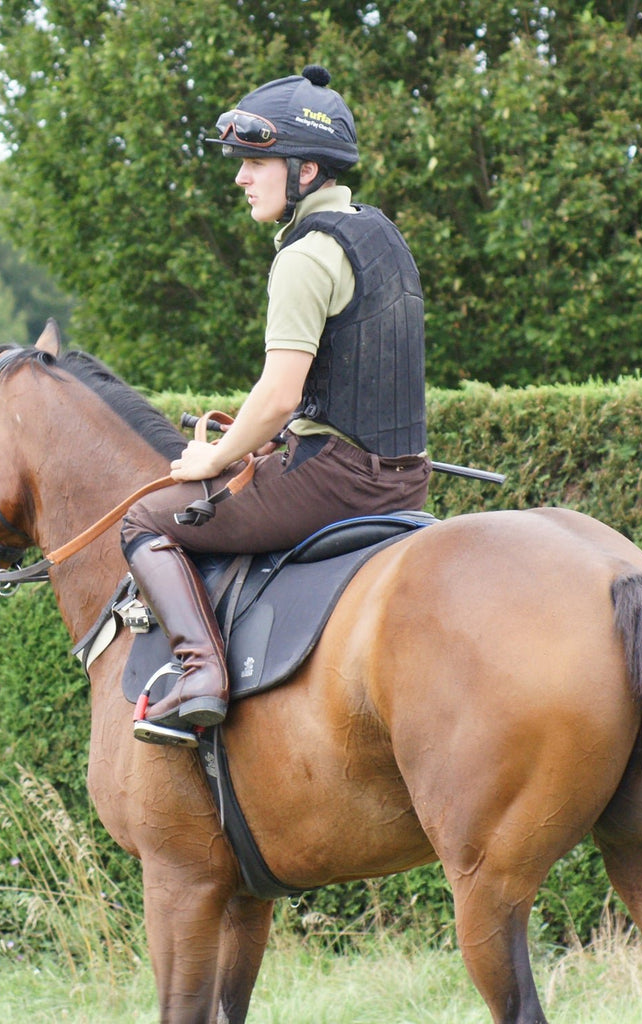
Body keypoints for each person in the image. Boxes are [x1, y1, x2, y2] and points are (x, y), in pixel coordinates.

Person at [121, 65, 430, 742]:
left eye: (256, 162)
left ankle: (200, 675)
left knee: (145, 518)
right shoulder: (379, 233)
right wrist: (275, 435)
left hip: (334, 484)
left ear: (307, 169)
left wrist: (212, 458)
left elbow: (279, 393)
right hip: (406, 478)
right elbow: (342, 379)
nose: (241, 178)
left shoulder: (304, 254)